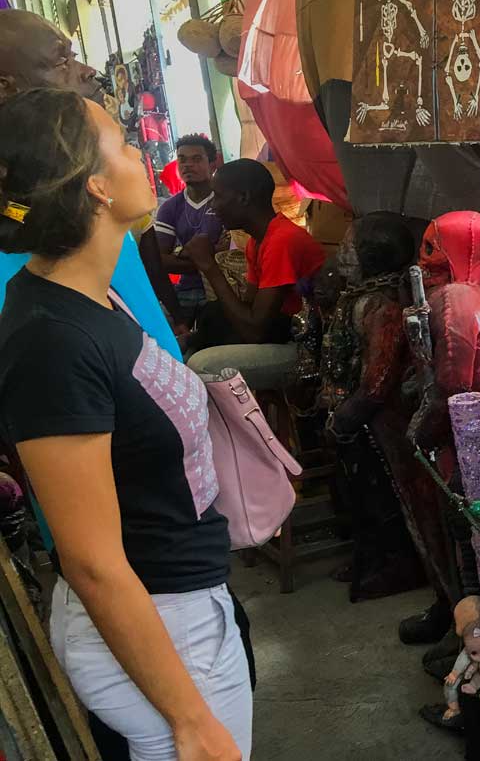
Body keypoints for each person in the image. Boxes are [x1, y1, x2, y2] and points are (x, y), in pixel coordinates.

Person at [0, 88, 249, 760]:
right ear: (96, 186)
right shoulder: (50, 338)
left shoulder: (92, 293)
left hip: (182, 611)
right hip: (159, 634)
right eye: (124, 141)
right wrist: (189, 716)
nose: (146, 151)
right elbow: (92, 560)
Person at [185, 159, 326, 390]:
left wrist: (209, 267)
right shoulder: (257, 242)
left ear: (243, 197)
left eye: (218, 196)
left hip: (305, 347)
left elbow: (254, 330)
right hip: (279, 331)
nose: (214, 206)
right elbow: (246, 311)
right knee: (209, 320)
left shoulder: (282, 241)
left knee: (201, 366)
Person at [154, 135, 225, 324]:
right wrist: (208, 258)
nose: (187, 165)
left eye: (196, 159)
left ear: (212, 164)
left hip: (224, 288)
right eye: (182, 159)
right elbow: (160, 259)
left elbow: (231, 253)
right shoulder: (170, 207)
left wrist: (183, 254)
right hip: (186, 290)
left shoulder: (226, 199)